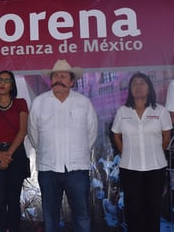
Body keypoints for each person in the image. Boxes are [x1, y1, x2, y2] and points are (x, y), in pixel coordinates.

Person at [27, 59, 98, 232]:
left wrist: (77, 153)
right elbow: (33, 134)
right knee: (50, 218)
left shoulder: (84, 103)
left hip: (77, 170)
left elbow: (92, 134)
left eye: (63, 76)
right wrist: (47, 152)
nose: (58, 79)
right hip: (48, 169)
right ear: (50, 80)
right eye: (55, 76)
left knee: (82, 217)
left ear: (72, 81)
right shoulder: (39, 102)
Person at [111, 72, 172, 232]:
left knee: (153, 210)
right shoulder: (122, 112)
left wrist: (157, 151)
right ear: (130, 89)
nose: (138, 87)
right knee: (133, 211)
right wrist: (126, 151)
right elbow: (116, 135)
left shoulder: (160, 111)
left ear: (149, 87)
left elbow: (167, 135)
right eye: (134, 84)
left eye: (142, 83)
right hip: (130, 168)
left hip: (156, 168)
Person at [0, 70, 29, 232]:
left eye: (6, 80)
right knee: (0, 200)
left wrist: (7, 154)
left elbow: (23, 131)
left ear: (12, 85)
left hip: (16, 155)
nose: (2, 83)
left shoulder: (21, 103)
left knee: (13, 199)